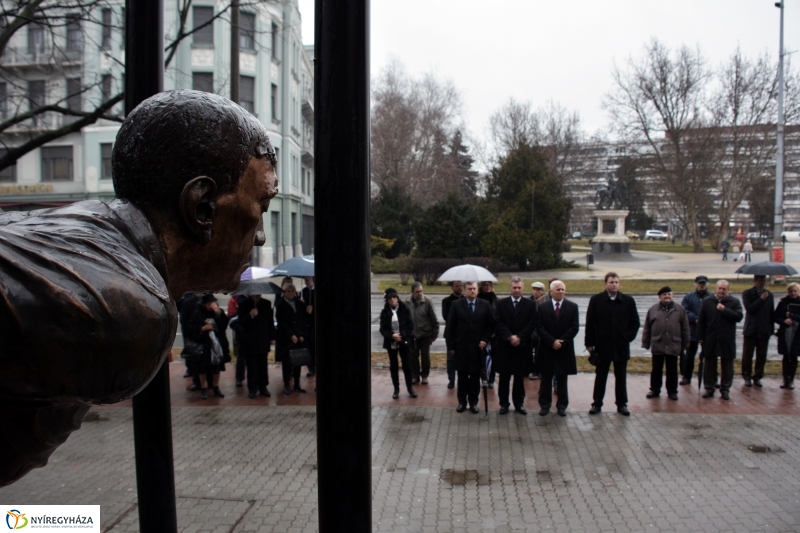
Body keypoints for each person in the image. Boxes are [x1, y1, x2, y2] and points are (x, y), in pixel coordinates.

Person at [0, 90, 278, 486]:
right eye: (261, 208)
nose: (261, 237)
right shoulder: (131, 309)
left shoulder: (92, 225)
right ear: (201, 208)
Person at [585, 272, 640, 416]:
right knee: (601, 376)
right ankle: (597, 403)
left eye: (616, 282)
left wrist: (627, 337)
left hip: (621, 346)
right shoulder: (596, 300)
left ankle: (622, 404)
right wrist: (589, 344)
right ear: (605, 284)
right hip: (602, 346)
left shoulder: (628, 301)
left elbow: (635, 323)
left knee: (621, 376)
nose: (614, 284)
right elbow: (590, 323)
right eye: (611, 282)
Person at [445, 281, 494, 414]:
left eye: (474, 289)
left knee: (474, 377)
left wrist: (485, 339)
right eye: (469, 289)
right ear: (465, 291)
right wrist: (451, 347)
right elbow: (449, 327)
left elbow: (490, 326)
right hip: (460, 348)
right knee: (462, 377)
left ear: (477, 290)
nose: (472, 291)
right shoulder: (456, 305)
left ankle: (473, 402)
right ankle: (462, 402)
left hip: (478, 348)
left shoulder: (484, 305)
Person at [535, 280, 579, 417]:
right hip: (547, 348)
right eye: (558, 290)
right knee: (546, 379)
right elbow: (539, 327)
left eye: (563, 290)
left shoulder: (572, 307)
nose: (561, 292)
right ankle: (545, 405)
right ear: (551, 292)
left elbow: (574, 327)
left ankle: (561, 406)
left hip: (564, 349)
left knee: (562, 378)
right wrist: (551, 341)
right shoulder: (543, 307)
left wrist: (562, 342)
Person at [493, 277, 537, 415]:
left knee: (519, 377)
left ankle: (519, 404)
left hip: (522, 346)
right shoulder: (501, 303)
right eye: (514, 287)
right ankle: (504, 404)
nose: (517, 290)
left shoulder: (530, 304)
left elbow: (532, 323)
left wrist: (519, 337)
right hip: (505, 346)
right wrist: (509, 337)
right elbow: (498, 322)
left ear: (523, 288)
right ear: (510, 288)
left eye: (519, 287)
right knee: (504, 377)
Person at [697, 280, 743, 400]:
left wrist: (724, 310)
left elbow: (739, 317)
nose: (721, 291)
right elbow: (701, 320)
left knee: (727, 365)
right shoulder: (708, 301)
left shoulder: (734, 301)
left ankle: (725, 389)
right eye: (720, 288)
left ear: (728, 290)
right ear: (716, 288)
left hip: (727, 338)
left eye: (724, 289)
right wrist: (700, 337)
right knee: (709, 364)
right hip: (710, 338)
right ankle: (709, 388)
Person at [642, 287, 690, 401]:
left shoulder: (680, 310)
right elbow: (647, 328)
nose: (667, 296)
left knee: (672, 370)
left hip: (674, 344)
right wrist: (646, 343)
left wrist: (686, 344)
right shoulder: (653, 309)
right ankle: (654, 389)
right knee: (656, 369)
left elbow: (685, 328)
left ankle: (672, 391)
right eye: (664, 294)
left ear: (672, 295)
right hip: (658, 344)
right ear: (660, 297)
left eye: (669, 294)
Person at [186, 294, 230, 399]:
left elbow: (223, 325)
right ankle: (203, 388)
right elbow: (191, 328)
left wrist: (218, 312)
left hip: (216, 344)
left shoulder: (218, 313)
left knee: (217, 367)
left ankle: (216, 387)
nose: (212, 305)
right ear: (205, 304)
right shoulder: (198, 313)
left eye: (213, 303)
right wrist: (202, 329)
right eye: (210, 303)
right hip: (204, 344)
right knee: (202, 368)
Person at [378, 288, 417, 399]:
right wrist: (391, 336)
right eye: (390, 298)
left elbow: (410, 325)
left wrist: (402, 335)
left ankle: (410, 388)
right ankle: (396, 389)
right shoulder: (385, 312)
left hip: (403, 341)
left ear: (397, 298)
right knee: (394, 366)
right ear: (387, 300)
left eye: (394, 297)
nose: (392, 300)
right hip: (391, 343)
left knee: (407, 366)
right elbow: (382, 329)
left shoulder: (404, 309)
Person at [237, 293, 276, 398]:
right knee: (252, 365)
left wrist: (272, 337)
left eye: (259, 294)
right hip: (250, 340)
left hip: (263, 338)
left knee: (263, 364)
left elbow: (270, 321)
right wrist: (250, 315)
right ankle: (252, 388)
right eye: (256, 294)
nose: (258, 295)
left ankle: (263, 386)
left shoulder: (266, 303)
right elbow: (241, 322)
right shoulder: (244, 304)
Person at [741, 275, 774, 387]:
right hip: (751, 329)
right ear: (755, 281)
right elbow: (750, 308)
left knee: (761, 355)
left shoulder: (770, 295)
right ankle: (747, 375)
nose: (762, 283)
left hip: (764, 330)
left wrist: (771, 329)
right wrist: (761, 299)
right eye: (760, 281)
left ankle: (758, 376)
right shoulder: (747, 293)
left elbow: (771, 313)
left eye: (764, 280)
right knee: (747, 354)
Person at [275, 284, 308, 395]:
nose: (290, 293)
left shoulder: (299, 303)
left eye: (292, 291)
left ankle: (297, 384)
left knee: (297, 361)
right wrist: (291, 335)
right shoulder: (280, 305)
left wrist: (302, 334)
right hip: (287, 338)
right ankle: (287, 384)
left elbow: (303, 319)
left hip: (299, 337)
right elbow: (281, 323)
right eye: (288, 291)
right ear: (284, 292)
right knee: (287, 363)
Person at [405, 282, 439, 385]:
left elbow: (434, 319)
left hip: (425, 334)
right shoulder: (406, 302)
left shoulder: (427, 301)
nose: (420, 293)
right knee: (413, 356)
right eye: (417, 292)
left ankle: (424, 375)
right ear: (412, 292)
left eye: (421, 291)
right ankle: (415, 376)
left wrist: (434, 335)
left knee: (425, 356)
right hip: (412, 334)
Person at [680, 276, 711, 385]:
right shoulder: (689, 297)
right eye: (699, 283)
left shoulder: (712, 297)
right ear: (695, 284)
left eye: (703, 283)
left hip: (707, 331)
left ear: (707, 284)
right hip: (693, 330)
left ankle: (711, 378)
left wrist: (704, 321)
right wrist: (695, 319)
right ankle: (686, 376)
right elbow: (684, 310)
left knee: (709, 356)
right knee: (689, 356)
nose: (701, 285)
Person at [774, 282, 800, 390]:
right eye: (791, 291)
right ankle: (785, 379)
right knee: (785, 355)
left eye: (795, 291)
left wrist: (793, 316)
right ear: (788, 292)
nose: (793, 293)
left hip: (798, 333)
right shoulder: (783, 303)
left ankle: (791, 380)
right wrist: (784, 320)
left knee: (794, 356)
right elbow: (775, 317)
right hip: (785, 332)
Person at [441, 280, 464, 389]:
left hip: (464, 334)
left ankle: (462, 379)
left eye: (461, 286)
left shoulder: (466, 299)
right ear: (452, 287)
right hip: (451, 333)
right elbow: (446, 316)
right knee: (451, 358)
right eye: (457, 286)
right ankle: (451, 379)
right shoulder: (446, 301)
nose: (459, 288)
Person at [478, 280, 499, 387]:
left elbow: (498, 317)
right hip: (482, 333)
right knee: (482, 356)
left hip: (494, 334)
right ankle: (483, 378)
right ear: (481, 286)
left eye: (490, 285)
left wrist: (494, 331)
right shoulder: (478, 298)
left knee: (493, 356)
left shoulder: (495, 298)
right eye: (485, 285)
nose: (488, 287)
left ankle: (491, 379)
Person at [301, 276, 316, 377]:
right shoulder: (304, 291)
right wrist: (302, 305)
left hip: (315, 324)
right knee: (308, 347)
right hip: (307, 325)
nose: (306, 282)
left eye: (307, 280)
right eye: (305, 280)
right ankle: (310, 368)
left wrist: (313, 310)